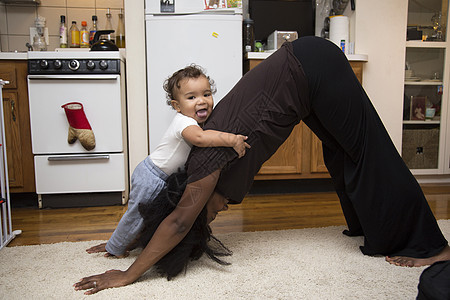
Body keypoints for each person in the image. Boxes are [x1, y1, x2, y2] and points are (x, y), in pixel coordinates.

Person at [74, 36, 450, 295]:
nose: (214, 217)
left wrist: (127, 275)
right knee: (339, 151)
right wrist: (122, 243)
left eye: (207, 218)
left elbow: (177, 220)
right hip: (305, 77)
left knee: (371, 151)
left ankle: (431, 246)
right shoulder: (200, 173)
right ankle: (376, 230)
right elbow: (169, 216)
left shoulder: (203, 170)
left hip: (314, 65)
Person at [85, 64, 250, 258]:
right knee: (137, 214)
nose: (201, 101)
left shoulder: (196, 122)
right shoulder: (185, 122)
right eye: (191, 97)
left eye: (206, 94)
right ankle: (116, 248)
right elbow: (200, 139)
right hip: (152, 176)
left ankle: (126, 241)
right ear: (177, 106)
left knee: (149, 216)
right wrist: (232, 139)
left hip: (158, 176)